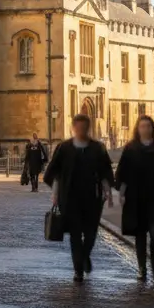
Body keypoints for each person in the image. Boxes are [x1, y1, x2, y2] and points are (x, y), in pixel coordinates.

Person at [43, 114, 114, 283]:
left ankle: (85, 256)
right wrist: (55, 193)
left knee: (90, 235)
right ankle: (78, 270)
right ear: (73, 128)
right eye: (78, 127)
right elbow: (54, 173)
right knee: (75, 236)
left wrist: (108, 192)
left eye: (84, 127)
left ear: (88, 128)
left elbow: (105, 173)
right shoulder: (64, 148)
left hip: (92, 199)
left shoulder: (98, 148)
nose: (81, 130)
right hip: (70, 199)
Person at [114, 115, 154, 281]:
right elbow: (122, 172)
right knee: (140, 235)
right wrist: (121, 191)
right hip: (136, 199)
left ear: (152, 129)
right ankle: (142, 268)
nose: (145, 129)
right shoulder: (131, 148)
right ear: (138, 129)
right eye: (142, 126)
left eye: (148, 126)